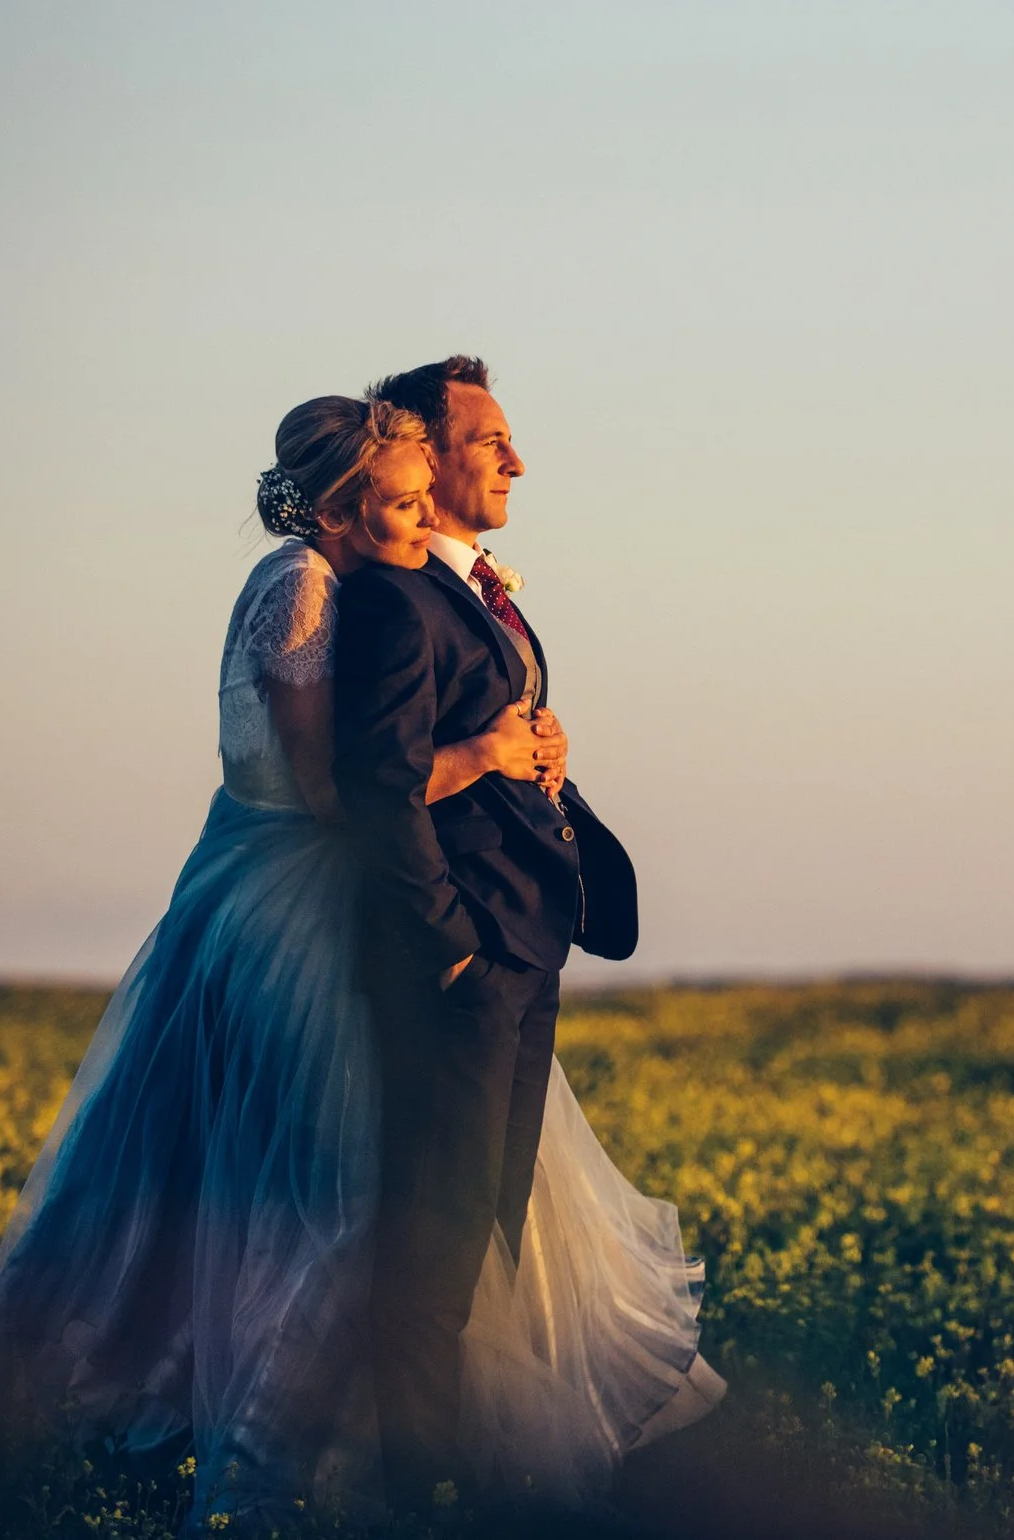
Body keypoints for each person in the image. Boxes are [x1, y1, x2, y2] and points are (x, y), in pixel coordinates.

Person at [0, 388, 714, 1531]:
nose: (414, 525)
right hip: (294, 904)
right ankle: (251, 1481)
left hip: (295, 891)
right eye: (396, 505)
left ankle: (277, 1455)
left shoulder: (345, 580)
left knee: (273, 1190)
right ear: (341, 509)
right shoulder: (301, 589)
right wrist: (489, 750)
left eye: (415, 504)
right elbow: (334, 794)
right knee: (331, 1195)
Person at [336, 357, 718, 1509]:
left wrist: (546, 756)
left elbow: (485, 738)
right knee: (433, 1253)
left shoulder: (478, 593)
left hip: (521, 948)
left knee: (485, 1230)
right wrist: (448, 942)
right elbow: (375, 788)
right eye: (488, 437)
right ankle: (411, 1493)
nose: (515, 457)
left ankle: (458, 1478)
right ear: (422, 454)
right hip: (463, 960)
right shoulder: (393, 600)